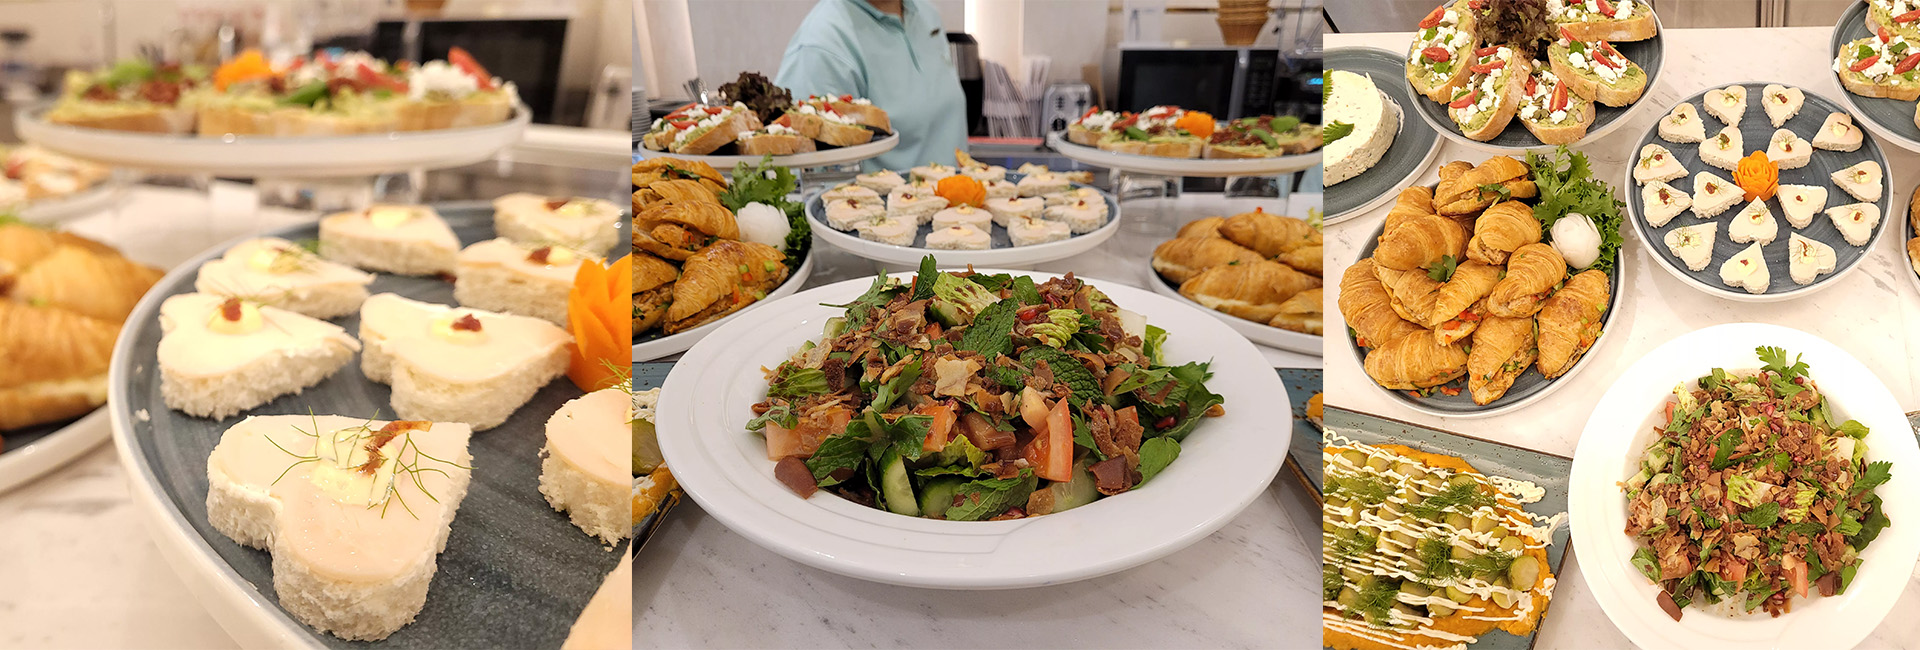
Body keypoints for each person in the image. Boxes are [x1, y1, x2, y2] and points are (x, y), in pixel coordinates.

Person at [775, 0, 967, 171]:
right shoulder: (821, 46)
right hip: (891, 207)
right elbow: (813, 181)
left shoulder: (925, 12)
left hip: (959, 203)